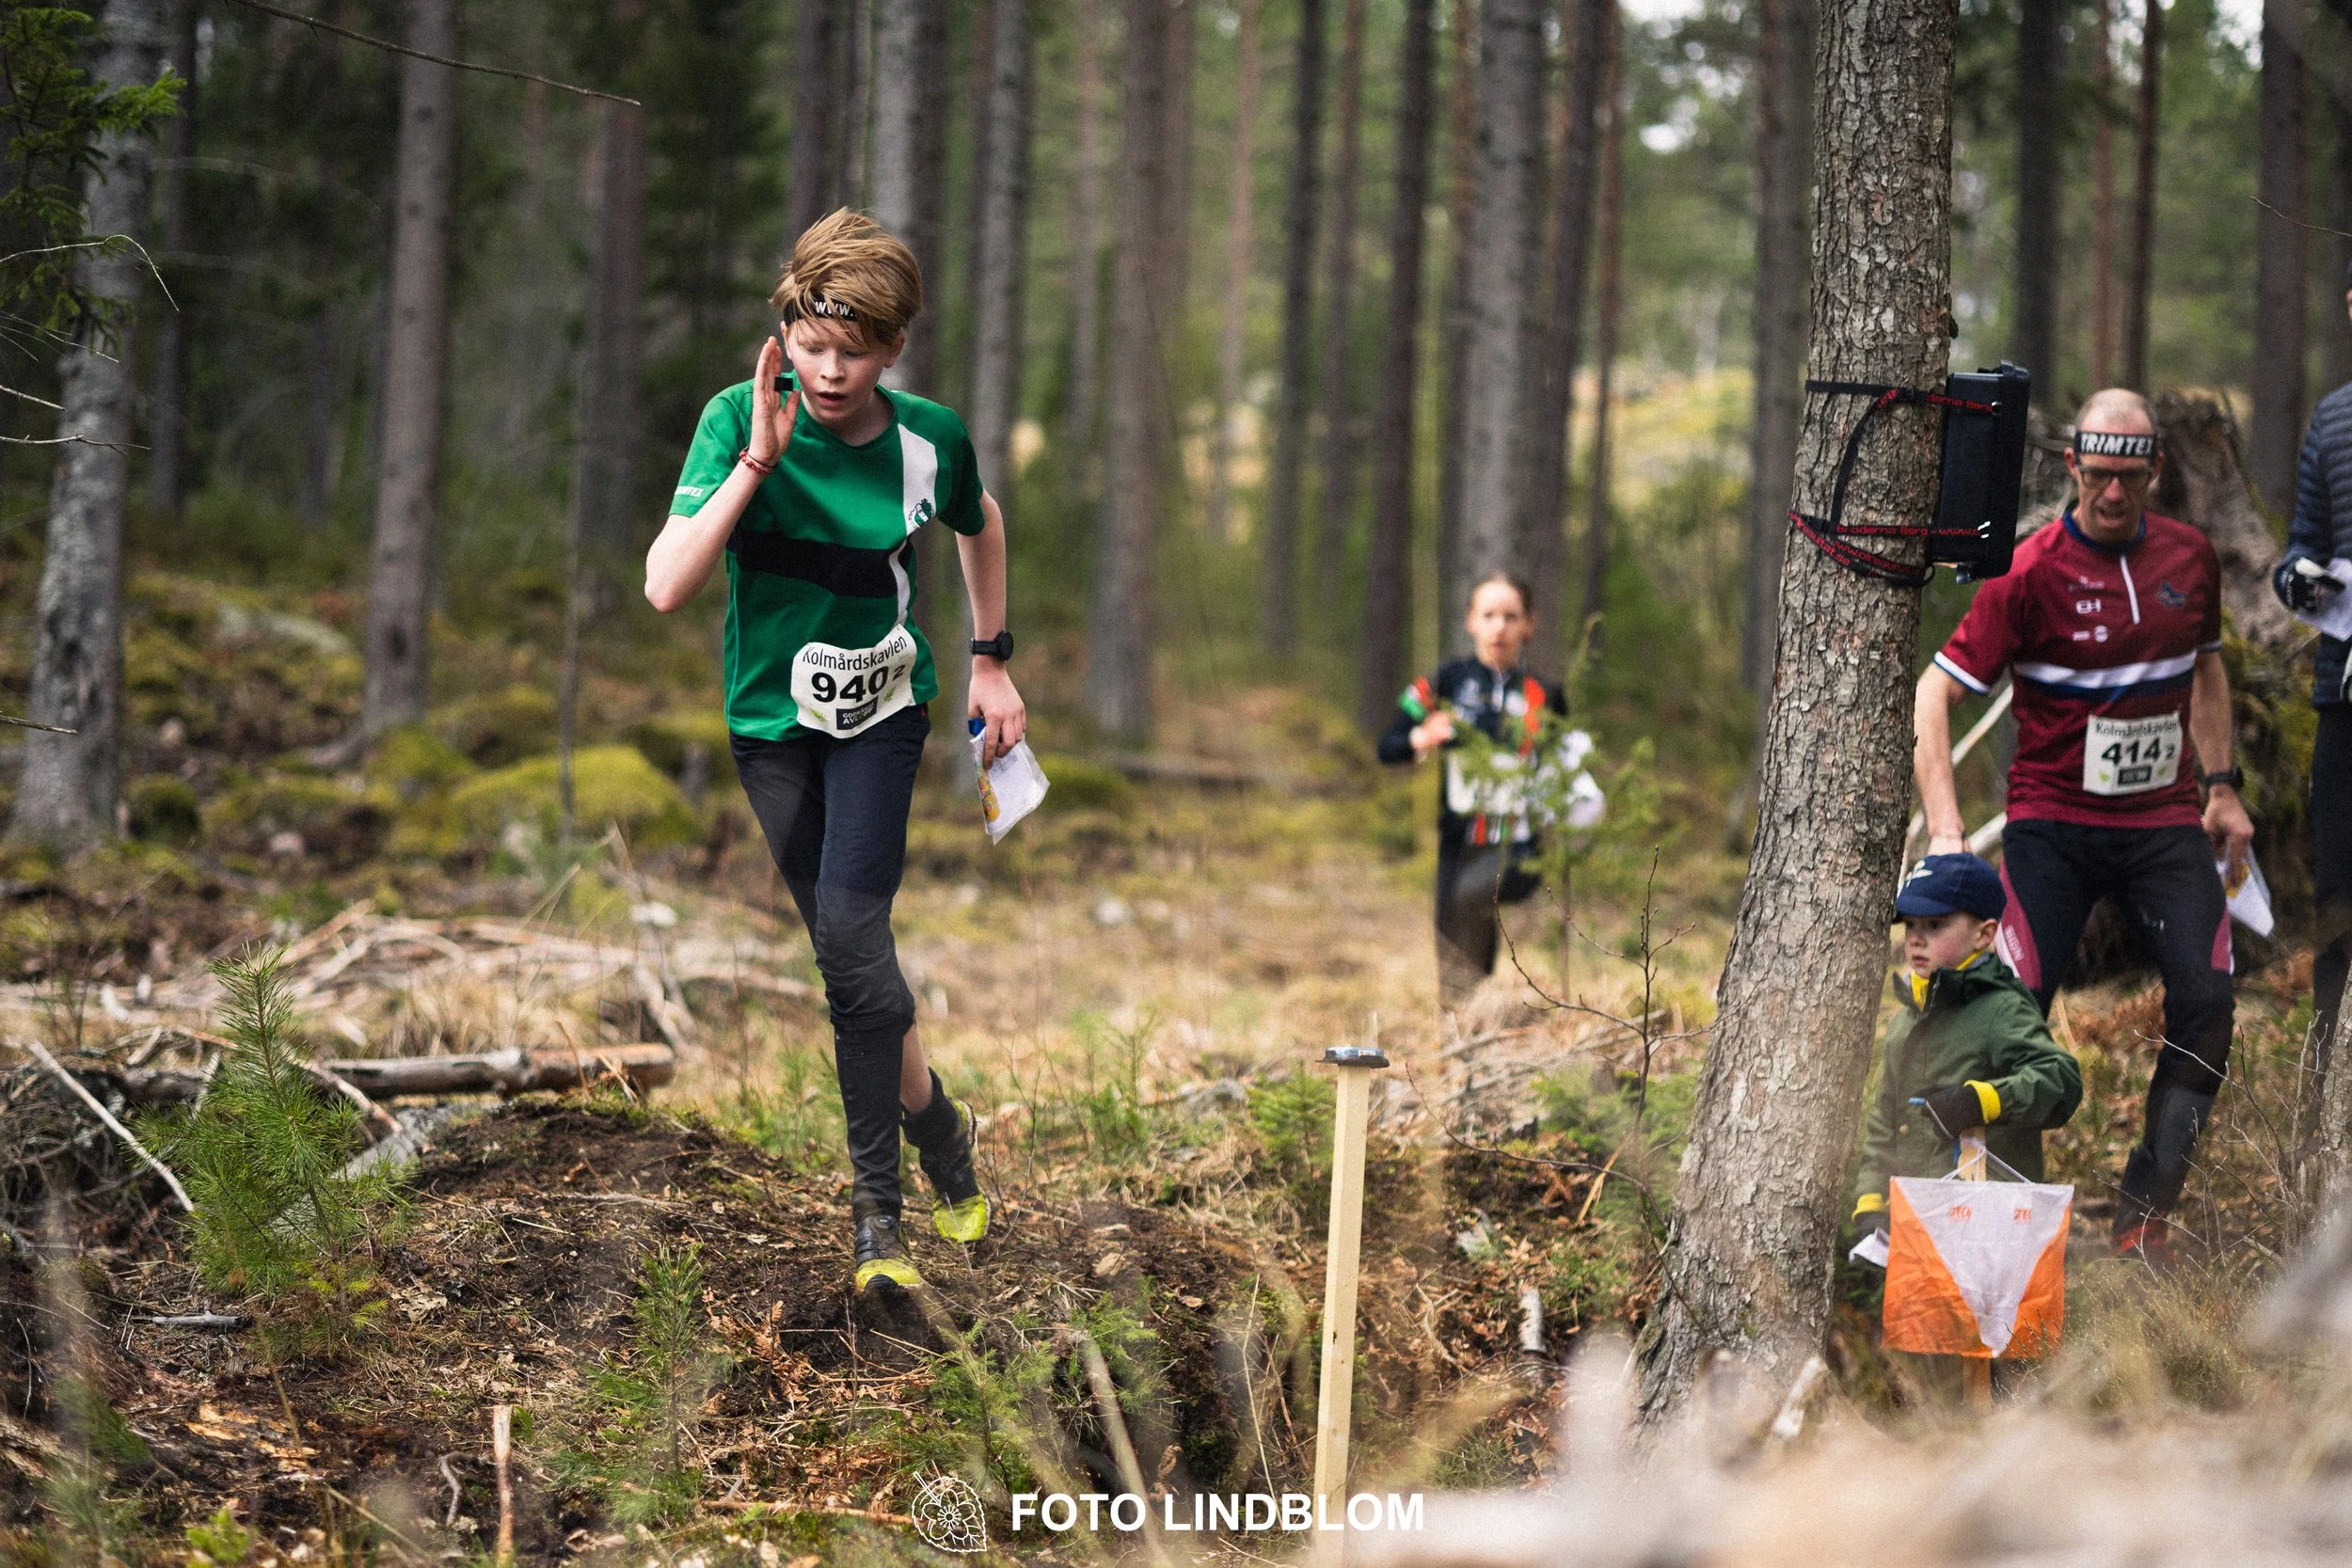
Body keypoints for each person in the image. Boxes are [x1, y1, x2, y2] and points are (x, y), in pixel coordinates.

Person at [644, 210, 1026, 1298]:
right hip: (771, 726)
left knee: (852, 943)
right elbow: (666, 585)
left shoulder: (928, 439)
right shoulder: (737, 416)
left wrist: (990, 657)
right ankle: (938, 1124)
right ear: (785, 332)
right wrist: (756, 464)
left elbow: (981, 521)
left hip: (882, 714)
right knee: (854, 960)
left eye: (851, 352)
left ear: (892, 347)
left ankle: (876, 1219)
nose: (826, 371)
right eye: (809, 345)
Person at [1914, 388, 2253, 1261]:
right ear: (2071, 466)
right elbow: (1933, 691)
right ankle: (2016, 1230)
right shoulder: (2028, 572)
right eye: (2097, 474)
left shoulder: (2190, 558)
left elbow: (2206, 670)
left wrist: (2222, 787)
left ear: (2155, 472)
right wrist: (1946, 828)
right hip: (2052, 824)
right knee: (2007, 1015)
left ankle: (2143, 1216)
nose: (2111, 493)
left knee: (2209, 1003)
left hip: (2162, 821)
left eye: (2128, 478)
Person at [1851, 853, 2084, 1245]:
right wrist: (1871, 1203)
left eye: (1935, 924)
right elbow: (1885, 1123)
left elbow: (2061, 1080)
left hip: (1992, 1227)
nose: (1915, 938)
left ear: (1984, 934)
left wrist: (1981, 1101)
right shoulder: (1904, 1022)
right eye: (1910, 924)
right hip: (1919, 1224)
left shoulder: (2001, 1009)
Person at [1377, 574, 1569, 1004]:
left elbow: (1567, 768)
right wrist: (1421, 737)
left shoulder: (1546, 693)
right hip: (1459, 839)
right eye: (1489, 615)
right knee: (1453, 960)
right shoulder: (1447, 681)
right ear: (1471, 621)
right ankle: (1468, 1030)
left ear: (1529, 624)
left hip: (1518, 845)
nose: (1499, 627)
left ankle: (1486, 1012)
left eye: (1511, 616)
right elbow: (1387, 746)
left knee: (1471, 895)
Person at [2272, 261, 2352, 1075]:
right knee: (2338, 908)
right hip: (2344, 695)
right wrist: (2295, 577)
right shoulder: (2332, 420)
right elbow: (2303, 542)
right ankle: (2326, 1099)